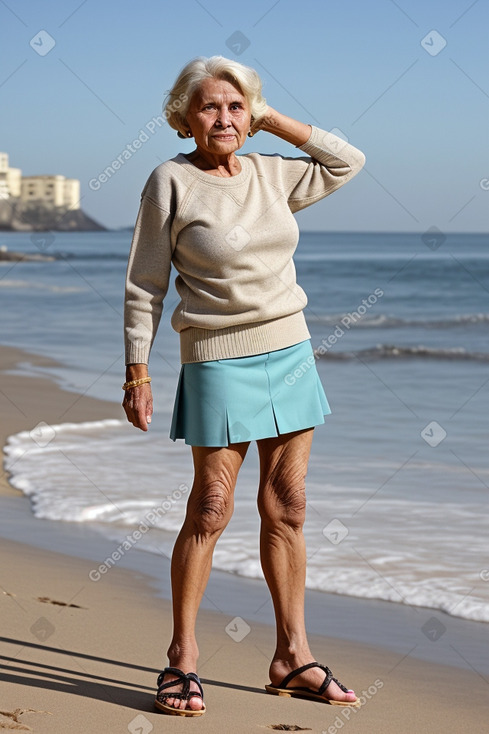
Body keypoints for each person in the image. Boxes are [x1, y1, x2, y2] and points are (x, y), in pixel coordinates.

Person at [122, 55, 365, 717]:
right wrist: (137, 371)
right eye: (209, 106)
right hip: (215, 357)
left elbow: (347, 160)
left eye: (236, 107)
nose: (224, 119)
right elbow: (144, 286)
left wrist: (270, 117)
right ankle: (182, 657)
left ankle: (291, 656)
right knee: (210, 509)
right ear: (184, 117)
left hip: (289, 352)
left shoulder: (271, 173)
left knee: (287, 506)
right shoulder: (168, 181)